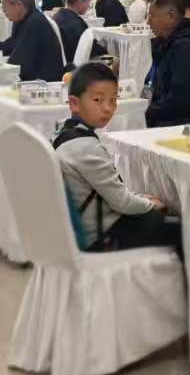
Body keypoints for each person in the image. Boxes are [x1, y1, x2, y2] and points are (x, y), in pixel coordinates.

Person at [56, 62, 181, 253]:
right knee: (181, 229)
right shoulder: (85, 147)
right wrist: (151, 204)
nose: (108, 108)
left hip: (79, 229)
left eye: (113, 100)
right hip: (100, 237)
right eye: (98, 100)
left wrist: (139, 198)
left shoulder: (63, 134)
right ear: (74, 103)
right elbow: (122, 202)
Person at [143, 0, 190, 128]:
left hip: (186, 125)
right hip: (167, 117)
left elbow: (180, 101)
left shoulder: (188, 49)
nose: (148, 22)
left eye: (152, 16)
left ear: (170, 16)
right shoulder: (166, 44)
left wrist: (145, 114)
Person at [0, 0, 65, 83]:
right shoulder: (23, 19)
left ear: (19, 5)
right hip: (33, 77)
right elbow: (11, 46)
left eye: (5, 7)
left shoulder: (35, 22)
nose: (4, 11)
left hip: (43, 83)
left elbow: (20, 62)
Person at [52, 0, 93, 64]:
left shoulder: (57, 16)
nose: (89, 6)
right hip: (74, 64)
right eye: (88, 1)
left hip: (60, 62)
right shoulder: (75, 24)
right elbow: (91, 49)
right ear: (79, 2)